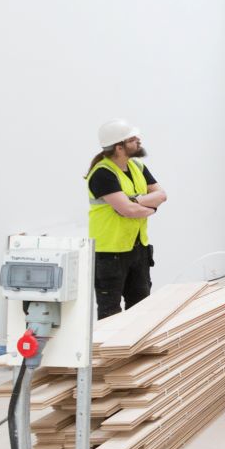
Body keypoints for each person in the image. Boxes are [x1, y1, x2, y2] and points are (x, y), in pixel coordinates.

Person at [88, 118, 167, 317]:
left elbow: (162, 195)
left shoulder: (137, 167)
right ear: (119, 147)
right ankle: (110, 349)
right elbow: (128, 211)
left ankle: (136, 349)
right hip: (110, 253)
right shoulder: (102, 174)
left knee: (141, 309)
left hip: (138, 248)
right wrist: (149, 207)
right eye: (132, 139)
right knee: (110, 313)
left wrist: (136, 201)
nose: (138, 141)